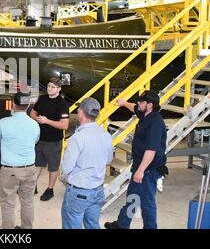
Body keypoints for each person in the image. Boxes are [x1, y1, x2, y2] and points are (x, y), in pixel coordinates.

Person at [105, 90, 167, 229]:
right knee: (133, 197)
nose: (138, 103)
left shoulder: (155, 122)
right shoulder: (145, 114)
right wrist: (123, 103)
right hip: (141, 166)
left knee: (147, 204)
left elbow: (151, 150)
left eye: (141, 102)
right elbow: (134, 107)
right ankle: (122, 224)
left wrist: (140, 171)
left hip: (148, 170)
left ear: (150, 105)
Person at [60, 97, 113, 229]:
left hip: (78, 192)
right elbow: (108, 160)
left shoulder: (77, 138)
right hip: (97, 190)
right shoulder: (106, 135)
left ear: (81, 112)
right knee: (92, 225)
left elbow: (66, 168)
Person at [0, 92, 40, 229]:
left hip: (9, 170)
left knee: (8, 203)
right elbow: (35, 141)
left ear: (13, 104)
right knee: (28, 202)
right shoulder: (34, 124)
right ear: (28, 105)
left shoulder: (4, 122)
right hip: (29, 169)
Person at [30, 76, 69, 201]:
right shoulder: (42, 99)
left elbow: (64, 125)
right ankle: (33, 186)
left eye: (53, 87)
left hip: (53, 141)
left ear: (59, 89)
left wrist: (46, 121)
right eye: (48, 86)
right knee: (37, 164)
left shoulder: (62, 104)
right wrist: (37, 119)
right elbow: (32, 112)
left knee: (53, 167)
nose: (50, 89)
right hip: (39, 139)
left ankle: (50, 189)